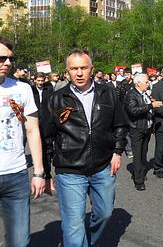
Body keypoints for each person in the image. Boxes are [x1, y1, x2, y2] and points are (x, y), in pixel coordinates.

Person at [43, 49, 128, 247]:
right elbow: (47, 138)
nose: (79, 73)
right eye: (74, 68)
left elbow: (121, 125)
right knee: (73, 226)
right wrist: (46, 173)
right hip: (69, 171)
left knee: (105, 213)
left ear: (92, 69)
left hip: (103, 167)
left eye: (83, 68)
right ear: (67, 71)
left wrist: (117, 151)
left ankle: (89, 242)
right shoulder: (56, 99)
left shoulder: (108, 94)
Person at [0, 36, 46, 247]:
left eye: (10, 59)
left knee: (19, 242)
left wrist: (38, 172)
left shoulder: (22, 89)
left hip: (16, 176)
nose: (8, 64)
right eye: (2, 59)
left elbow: (32, 130)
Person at [124, 73, 162, 191]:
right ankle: (139, 180)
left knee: (143, 152)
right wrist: (151, 105)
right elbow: (133, 110)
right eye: (146, 82)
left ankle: (138, 172)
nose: (148, 83)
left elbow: (144, 105)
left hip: (147, 127)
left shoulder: (143, 93)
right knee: (137, 154)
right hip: (137, 128)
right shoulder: (131, 94)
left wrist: (151, 102)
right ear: (138, 83)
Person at [32, 72, 55, 194]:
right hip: (34, 123)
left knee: (48, 150)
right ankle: (42, 175)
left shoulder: (49, 89)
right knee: (38, 150)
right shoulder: (31, 90)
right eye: (38, 81)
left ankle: (48, 175)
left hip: (47, 123)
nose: (40, 83)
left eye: (42, 80)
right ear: (34, 80)